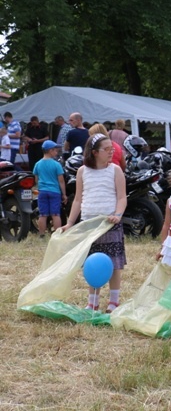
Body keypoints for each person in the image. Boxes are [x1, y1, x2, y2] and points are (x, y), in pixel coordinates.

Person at [61, 134, 127, 313]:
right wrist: (70, 223)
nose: (111, 152)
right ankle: (93, 302)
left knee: (114, 264)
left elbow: (122, 197)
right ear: (94, 152)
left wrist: (118, 215)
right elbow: (77, 200)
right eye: (107, 149)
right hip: (89, 224)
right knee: (92, 264)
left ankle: (114, 301)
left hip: (109, 223)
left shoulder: (115, 170)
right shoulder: (82, 171)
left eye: (111, 149)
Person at [33, 140, 67, 237]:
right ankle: (57, 235)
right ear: (50, 150)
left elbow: (36, 179)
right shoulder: (56, 165)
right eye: (55, 150)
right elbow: (61, 181)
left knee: (43, 215)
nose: (56, 152)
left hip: (42, 191)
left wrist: (40, 187)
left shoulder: (38, 164)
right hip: (54, 192)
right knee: (55, 214)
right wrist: (64, 194)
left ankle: (41, 234)